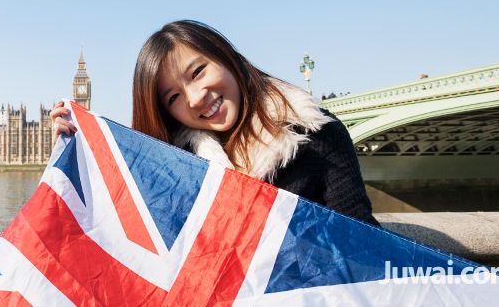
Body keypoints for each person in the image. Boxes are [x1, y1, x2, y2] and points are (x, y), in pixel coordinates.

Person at [50, 20, 378, 226]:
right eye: (174, 98)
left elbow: (363, 243)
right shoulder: (174, 164)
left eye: (198, 72)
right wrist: (73, 151)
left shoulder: (315, 131)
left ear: (226, 56)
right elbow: (110, 225)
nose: (194, 98)